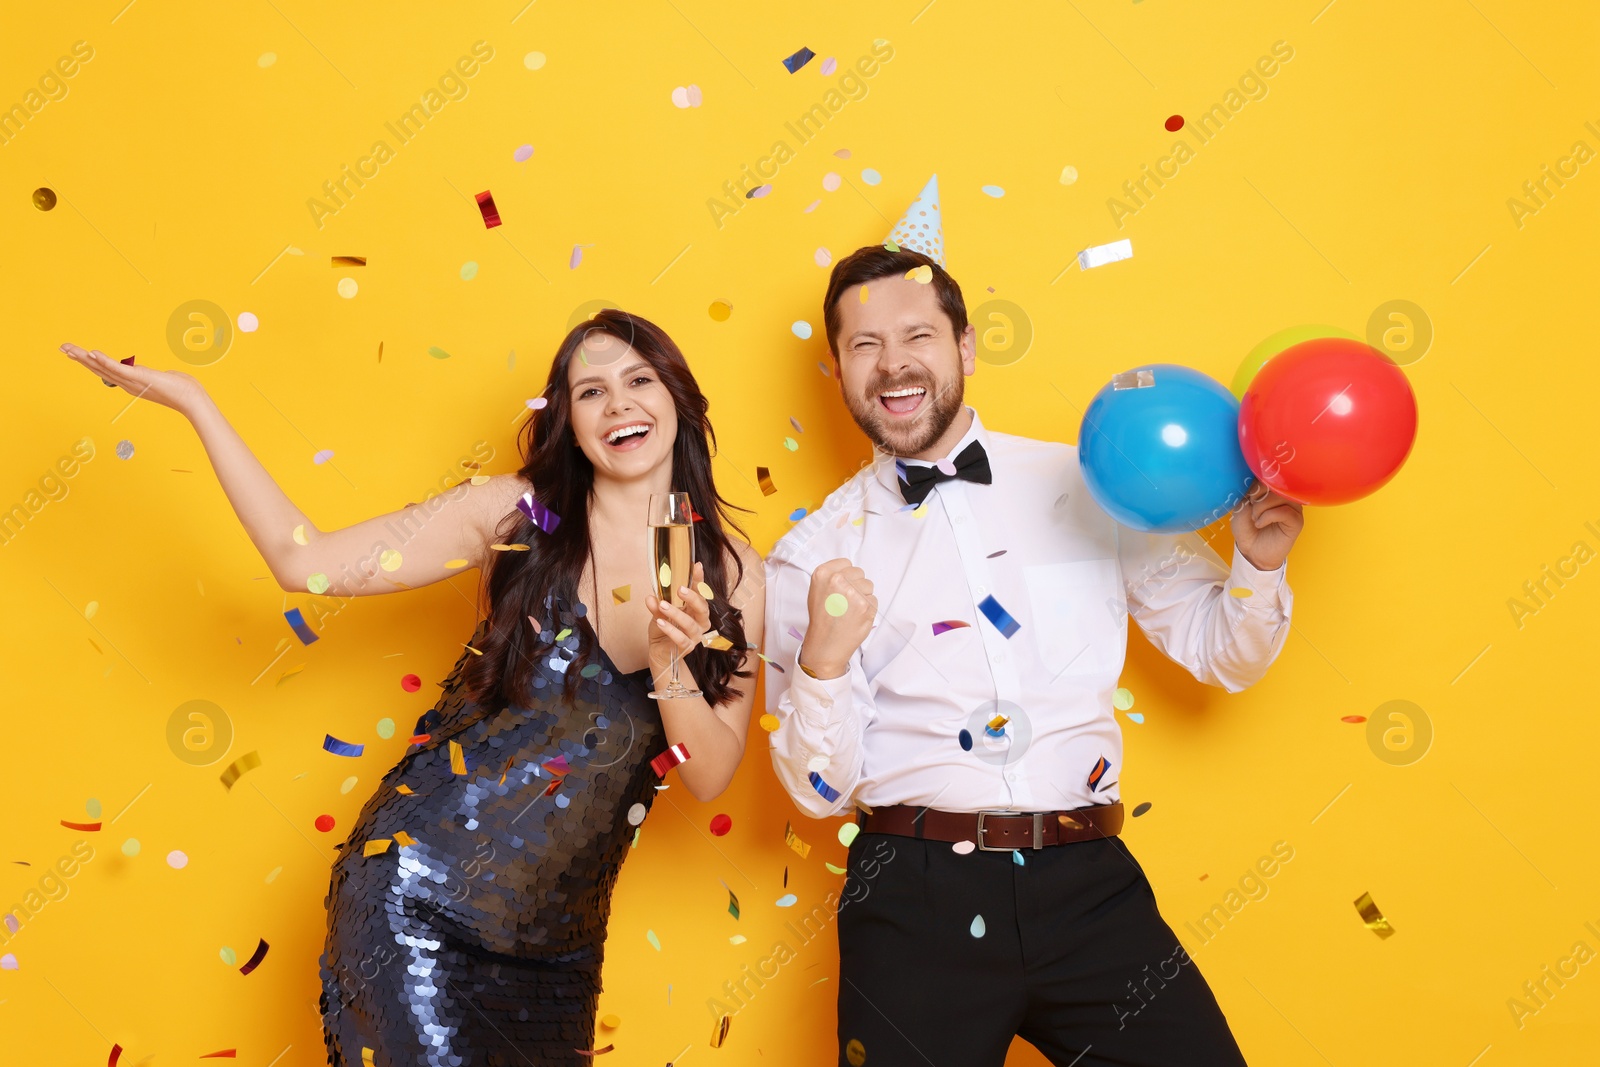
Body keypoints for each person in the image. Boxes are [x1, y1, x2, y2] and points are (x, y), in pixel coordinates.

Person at [61, 307, 766, 1066]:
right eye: (591, 391)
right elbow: (307, 565)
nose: (619, 403)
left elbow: (712, 772)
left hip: (560, 952)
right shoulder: (516, 512)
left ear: (679, 400)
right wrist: (199, 405)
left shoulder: (732, 569)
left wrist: (667, 662)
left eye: (638, 380)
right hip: (420, 903)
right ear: (569, 420)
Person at [762, 177, 1304, 1066]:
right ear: (838, 370)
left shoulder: (1093, 479)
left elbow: (1224, 654)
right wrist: (822, 663)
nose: (893, 365)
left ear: (965, 345)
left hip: (1089, 888)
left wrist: (1259, 561)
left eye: (917, 337)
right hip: (913, 901)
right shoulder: (812, 555)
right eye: (865, 345)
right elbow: (819, 793)